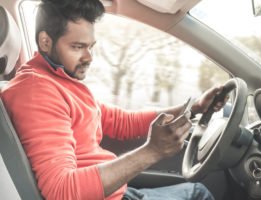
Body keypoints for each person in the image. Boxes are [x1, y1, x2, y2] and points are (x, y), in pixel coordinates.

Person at [1, 0, 227, 199]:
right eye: (77, 47)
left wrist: (195, 107)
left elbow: (121, 121)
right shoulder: (36, 92)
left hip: (112, 193)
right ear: (45, 42)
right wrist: (152, 151)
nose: (89, 57)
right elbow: (62, 191)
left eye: (91, 47)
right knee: (198, 193)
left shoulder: (59, 81)